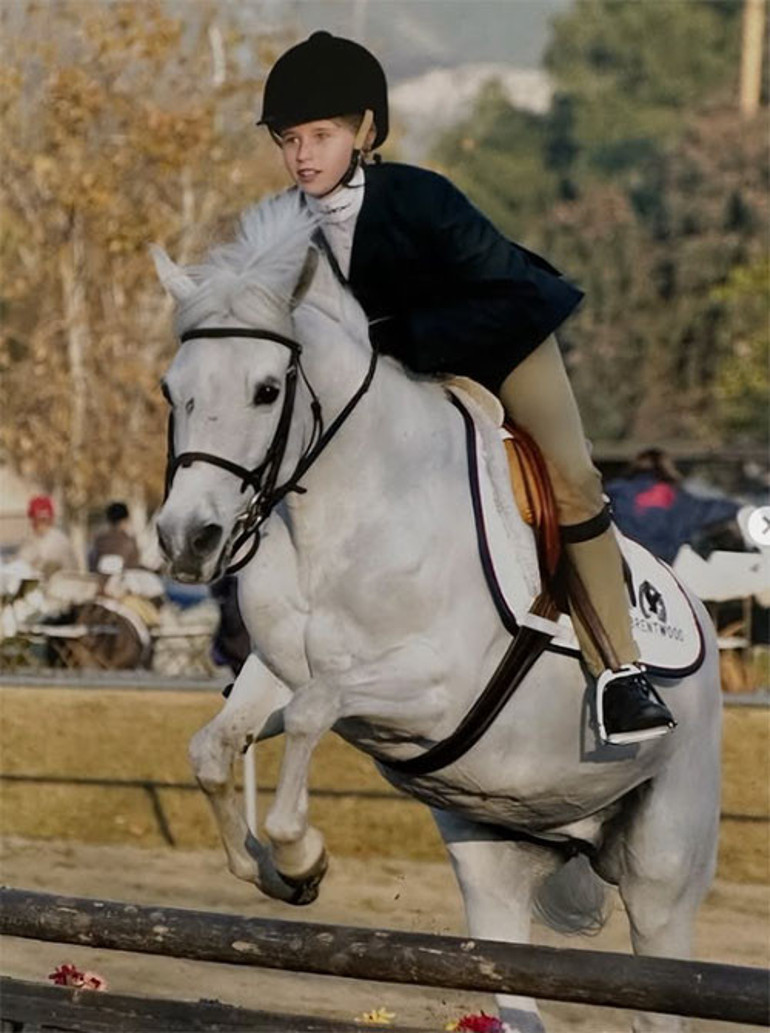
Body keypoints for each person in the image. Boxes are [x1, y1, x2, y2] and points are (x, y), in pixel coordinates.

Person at [257, 31, 674, 746]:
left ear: (365, 130)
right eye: (289, 138)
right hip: (395, 383)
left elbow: (505, 292)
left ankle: (622, 672)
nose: (302, 154)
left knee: (571, 477)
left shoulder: (422, 197)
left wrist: (397, 340)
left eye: (320, 135)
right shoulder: (287, 227)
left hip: (501, 341)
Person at [607, 449, 741, 564]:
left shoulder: (615, 492)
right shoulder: (680, 499)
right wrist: (741, 508)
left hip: (620, 563)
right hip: (661, 569)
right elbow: (712, 510)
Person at [17, 495, 78, 578]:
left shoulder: (57, 541)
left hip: (56, 587)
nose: (37, 524)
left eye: (43, 520)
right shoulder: (30, 540)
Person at [89, 501, 141, 574]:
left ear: (108, 519)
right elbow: (134, 565)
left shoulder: (99, 539)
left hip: (100, 580)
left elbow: (92, 563)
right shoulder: (129, 541)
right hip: (123, 581)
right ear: (125, 519)